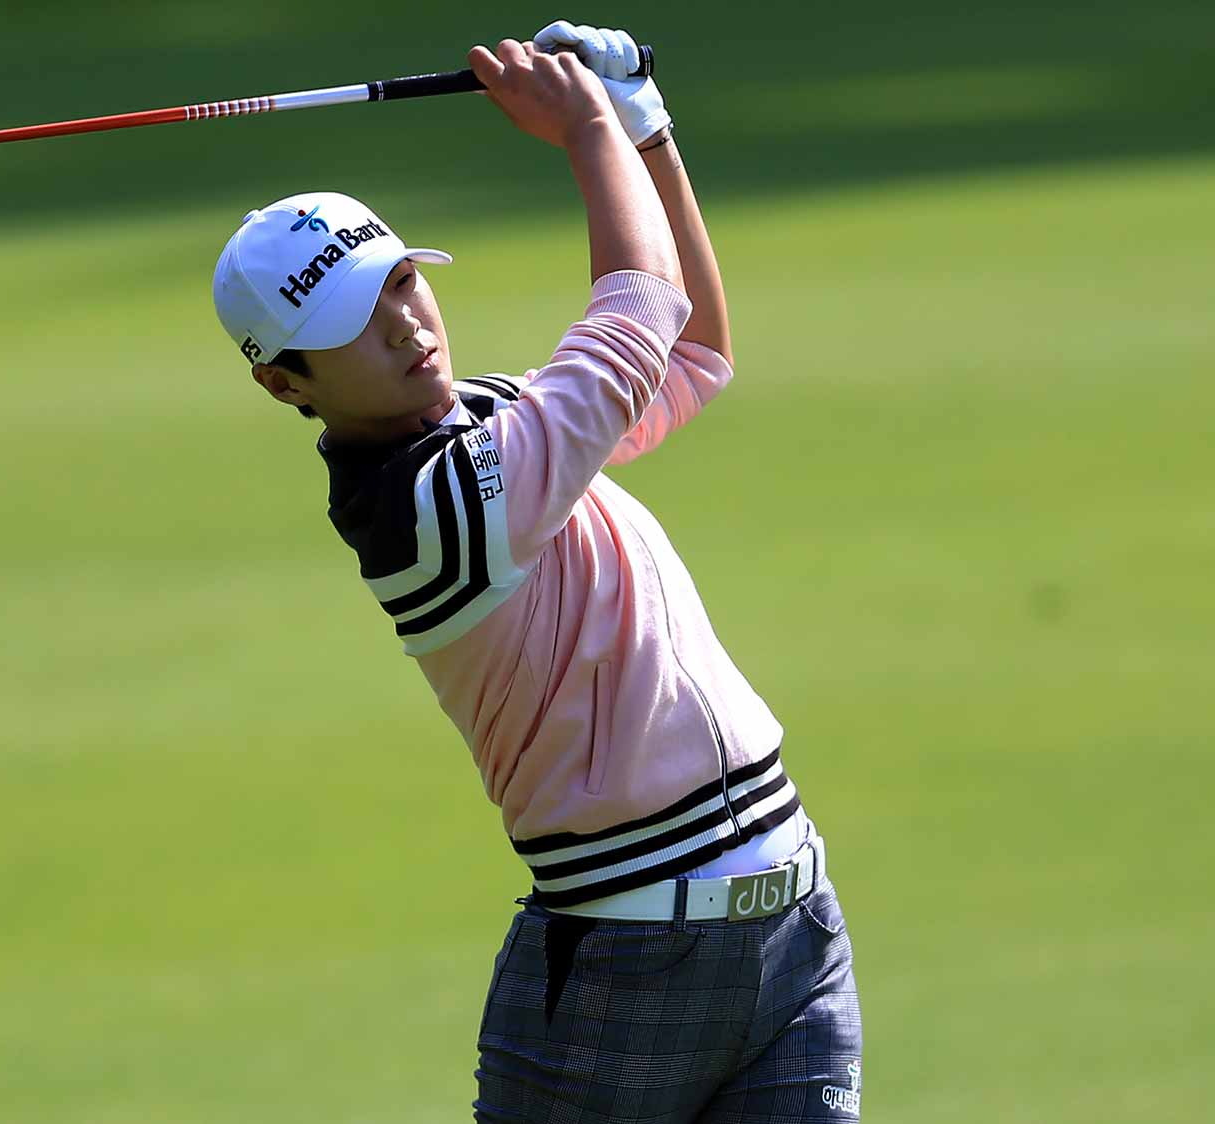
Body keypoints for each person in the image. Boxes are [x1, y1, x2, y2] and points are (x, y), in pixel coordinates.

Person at [211, 23, 862, 1123]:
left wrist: (646, 129)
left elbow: (689, 354)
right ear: (288, 385)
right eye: (350, 324)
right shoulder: (430, 511)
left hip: (791, 933)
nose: (406, 326)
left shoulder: (490, 421)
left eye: (400, 284)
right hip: (621, 965)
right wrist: (586, 126)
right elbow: (636, 315)